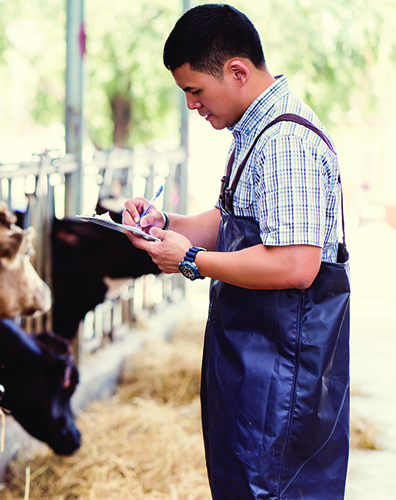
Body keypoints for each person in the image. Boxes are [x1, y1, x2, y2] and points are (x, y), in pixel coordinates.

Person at [122, 4, 350, 500]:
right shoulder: (254, 131)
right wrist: (169, 226)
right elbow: (237, 225)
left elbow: (295, 264)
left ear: (238, 71)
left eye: (195, 91)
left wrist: (189, 259)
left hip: (284, 375)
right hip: (257, 366)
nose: (192, 106)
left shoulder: (286, 140)